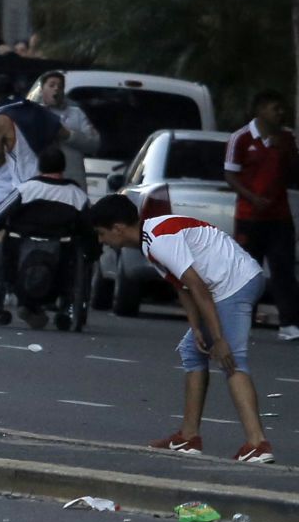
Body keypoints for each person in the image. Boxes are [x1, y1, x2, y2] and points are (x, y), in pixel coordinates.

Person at [82, 194, 275, 461]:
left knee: (231, 357)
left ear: (118, 228)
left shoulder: (160, 239)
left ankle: (258, 444)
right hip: (232, 281)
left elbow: (197, 285)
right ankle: (188, 437)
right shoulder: (151, 239)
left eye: (102, 234)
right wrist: (196, 327)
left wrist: (218, 337)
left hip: (234, 283)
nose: (102, 241)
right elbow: (181, 286)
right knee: (193, 350)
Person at [225, 91, 299, 341]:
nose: (280, 113)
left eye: (281, 108)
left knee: (284, 270)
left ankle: (288, 324)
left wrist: (286, 151)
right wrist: (251, 197)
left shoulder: (287, 138)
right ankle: (241, 321)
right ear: (260, 110)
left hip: (280, 217)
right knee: (247, 270)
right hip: (250, 217)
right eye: (275, 108)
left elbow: (297, 172)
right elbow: (230, 175)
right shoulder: (240, 138)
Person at [0, 146, 92, 330]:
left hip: (18, 251)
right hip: (61, 254)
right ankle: (66, 308)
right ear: (62, 168)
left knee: (3, 249)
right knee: (77, 256)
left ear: (39, 167)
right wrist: (92, 251)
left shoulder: (26, 189)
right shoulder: (77, 195)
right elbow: (89, 229)